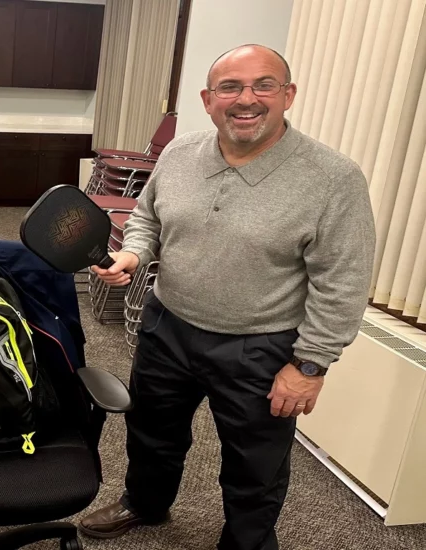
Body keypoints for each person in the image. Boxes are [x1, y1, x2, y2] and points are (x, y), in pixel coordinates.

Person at [78, 44, 376, 550]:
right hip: (167, 325)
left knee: (254, 462)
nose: (247, 99)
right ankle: (145, 503)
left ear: (288, 95)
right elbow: (148, 216)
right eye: (230, 87)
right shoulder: (179, 153)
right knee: (152, 432)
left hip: (260, 346)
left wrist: (310, 366)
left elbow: (343, 281)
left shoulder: (333, 178)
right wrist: (133, 253)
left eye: (264, 85)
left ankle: (247, 542)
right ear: (208, 98)